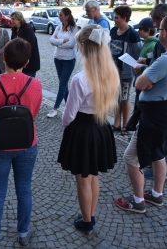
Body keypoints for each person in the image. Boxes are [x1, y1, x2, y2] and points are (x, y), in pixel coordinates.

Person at [114, 15, 167, 213]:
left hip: (153, 116)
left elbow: (139, 84)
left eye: (159, 27)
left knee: (131, 157)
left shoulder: (165, 61)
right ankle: (157, 195)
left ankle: (138, 201)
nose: (157, 30)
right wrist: (149, 72)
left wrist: (143, 72)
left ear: (165, 32)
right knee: (158, 154)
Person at [57, 25, 120, 235]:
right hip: (101, 128)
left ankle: (86, 221)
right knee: (93, 175)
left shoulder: (80, 79)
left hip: (82, 132)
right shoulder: (111, 74)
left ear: (83, 46)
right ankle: (90, 215)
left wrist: (66, 125)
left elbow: (69, 115)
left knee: (83, 179)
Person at [0, 38, 42, 247]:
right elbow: (33, 113)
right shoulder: (35, 84)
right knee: (24, 189)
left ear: (3, 57)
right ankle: (23, 233)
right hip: (27, 143)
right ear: (26, 62)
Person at [133, 4, 167, 179]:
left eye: (157, 22)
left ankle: (161, 171)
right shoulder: (165, 39)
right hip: (158, 91)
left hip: (158, 94)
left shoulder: (166, 41)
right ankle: (157, 166)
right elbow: (157, 63)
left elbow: (161, 66)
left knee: (159, 136)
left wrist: (144, 70)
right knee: (157, 134)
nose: (156, 26)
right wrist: (147, 63)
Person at [109, 6, 142, 136]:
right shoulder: (113, 31)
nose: (114, 20)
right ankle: (117, 124)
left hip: (126, 73)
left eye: (116, 17)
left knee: (124, 98)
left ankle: (126, 125)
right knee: (117, 98)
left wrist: (134, 67)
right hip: (114, 72)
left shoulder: (132, 34)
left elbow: (138, 54)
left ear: (124, 18)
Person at [47, 8, 78, 118]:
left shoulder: (74, 29)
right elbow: (51, 40)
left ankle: (55, 108)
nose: (59, 17)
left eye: (61, 15)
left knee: (62, 85)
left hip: (68, 60)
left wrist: (57, 43)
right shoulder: (58, 27)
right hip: (58, 58)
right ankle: (71, 107)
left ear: (67, 16)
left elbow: (71, 44)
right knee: (63, 85)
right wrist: (61, 41)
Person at [132, 17, 157, 111]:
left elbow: (152, 65)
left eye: (140, 29)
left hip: (144, 82)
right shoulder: (146, 43)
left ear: (147, 30)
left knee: (139, 107)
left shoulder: (152, 45)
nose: (138, 31)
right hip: (140, 79)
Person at [10, 11, 40, 77]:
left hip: (29, 61)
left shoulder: (27, 29)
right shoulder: (14, 29)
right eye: (11, 18)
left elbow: (31, 45)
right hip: (18, 61)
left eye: (13, 19)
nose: (11, 20)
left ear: (19, 19)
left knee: (28, 82)